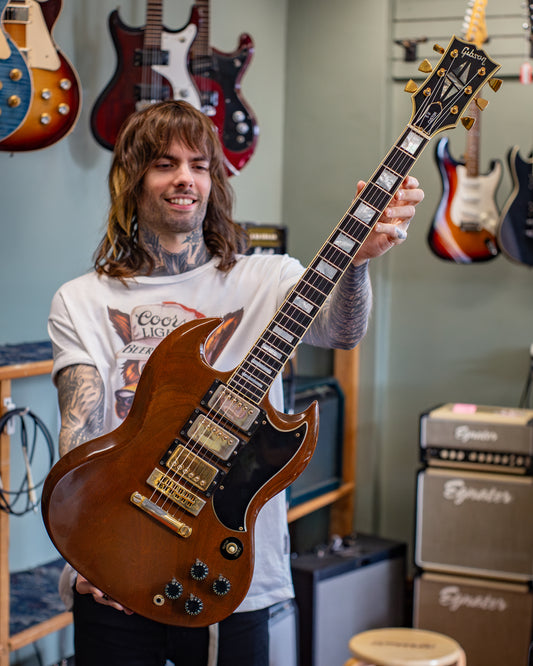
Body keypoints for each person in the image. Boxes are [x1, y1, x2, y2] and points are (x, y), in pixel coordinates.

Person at [47, 100, 424, 666]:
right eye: (165, 164)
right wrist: (82, 553)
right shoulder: (81, 299)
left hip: (230, 572)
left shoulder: (268, 278)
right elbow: (77, 430)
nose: (185, 179)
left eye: (199, 165)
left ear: (214, 180)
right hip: (113, 563)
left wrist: (360, 261)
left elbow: (344, 333)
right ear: (132, 178)